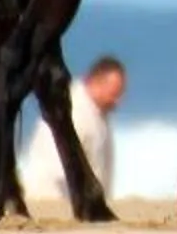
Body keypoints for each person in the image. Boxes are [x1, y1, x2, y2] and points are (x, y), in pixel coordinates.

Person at [19, 55, 127, 212]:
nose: (118, 101)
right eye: (114, 93)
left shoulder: (96, 113)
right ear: (96, 82)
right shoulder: (73, 110)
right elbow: (56, 167)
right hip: (52, 201)